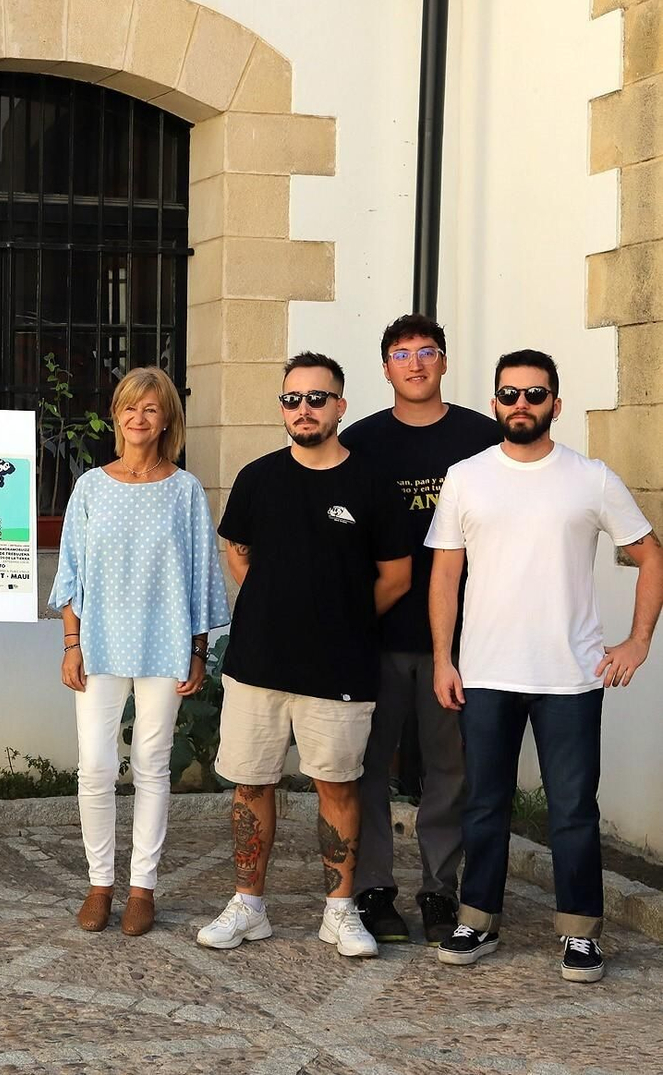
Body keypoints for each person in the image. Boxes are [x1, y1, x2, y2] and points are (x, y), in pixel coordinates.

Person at [429, 350, 662, 983]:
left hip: (571, 678)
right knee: (483, 804)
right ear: (495, 402)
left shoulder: (591, 478)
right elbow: (446, 573)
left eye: (535, 395)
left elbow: (650, 556)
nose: (521, 405)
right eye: (509, 395)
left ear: (556, 404)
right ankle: (477, 918)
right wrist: (443, 659)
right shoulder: (466, 477)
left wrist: (636, 642)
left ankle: (581, 933)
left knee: (573, 810)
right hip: (484, 672)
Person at [199, 352, 411, 959]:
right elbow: (238, 555)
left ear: (341, 405)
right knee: (250, 786)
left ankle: (339, 913)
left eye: (317, 398)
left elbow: (395, 577)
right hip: (258, 665)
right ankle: (249, 906)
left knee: (338, 788)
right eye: (292, 399)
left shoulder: (371, 482)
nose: (303, 409)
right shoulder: (259, 477)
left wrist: (341, 617)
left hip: (340, 668)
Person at [49, 366, 229, 936]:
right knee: (95, 766)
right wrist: (71, 643)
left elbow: (201, 573)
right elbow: (71, 572)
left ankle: (141, 887)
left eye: (151, 408)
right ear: (117, 414)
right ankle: (100, 883)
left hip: (165, 642)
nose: (138, 418)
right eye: (130, 407)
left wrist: (199, 651)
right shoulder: (90, 488)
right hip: (99, 642)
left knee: (152, 767)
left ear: (167, 419)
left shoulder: (184, 491)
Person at [340, 315, 498, 945]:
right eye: (401, 354)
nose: (414, 363)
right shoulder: (362, 442)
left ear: (443, 361)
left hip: (461, 641)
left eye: (426, 352)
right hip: (377, 636)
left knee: (448, 769)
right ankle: (375, 888)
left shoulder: (482, 438)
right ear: (386, 368)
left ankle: (439, 890)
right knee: (368, 767)